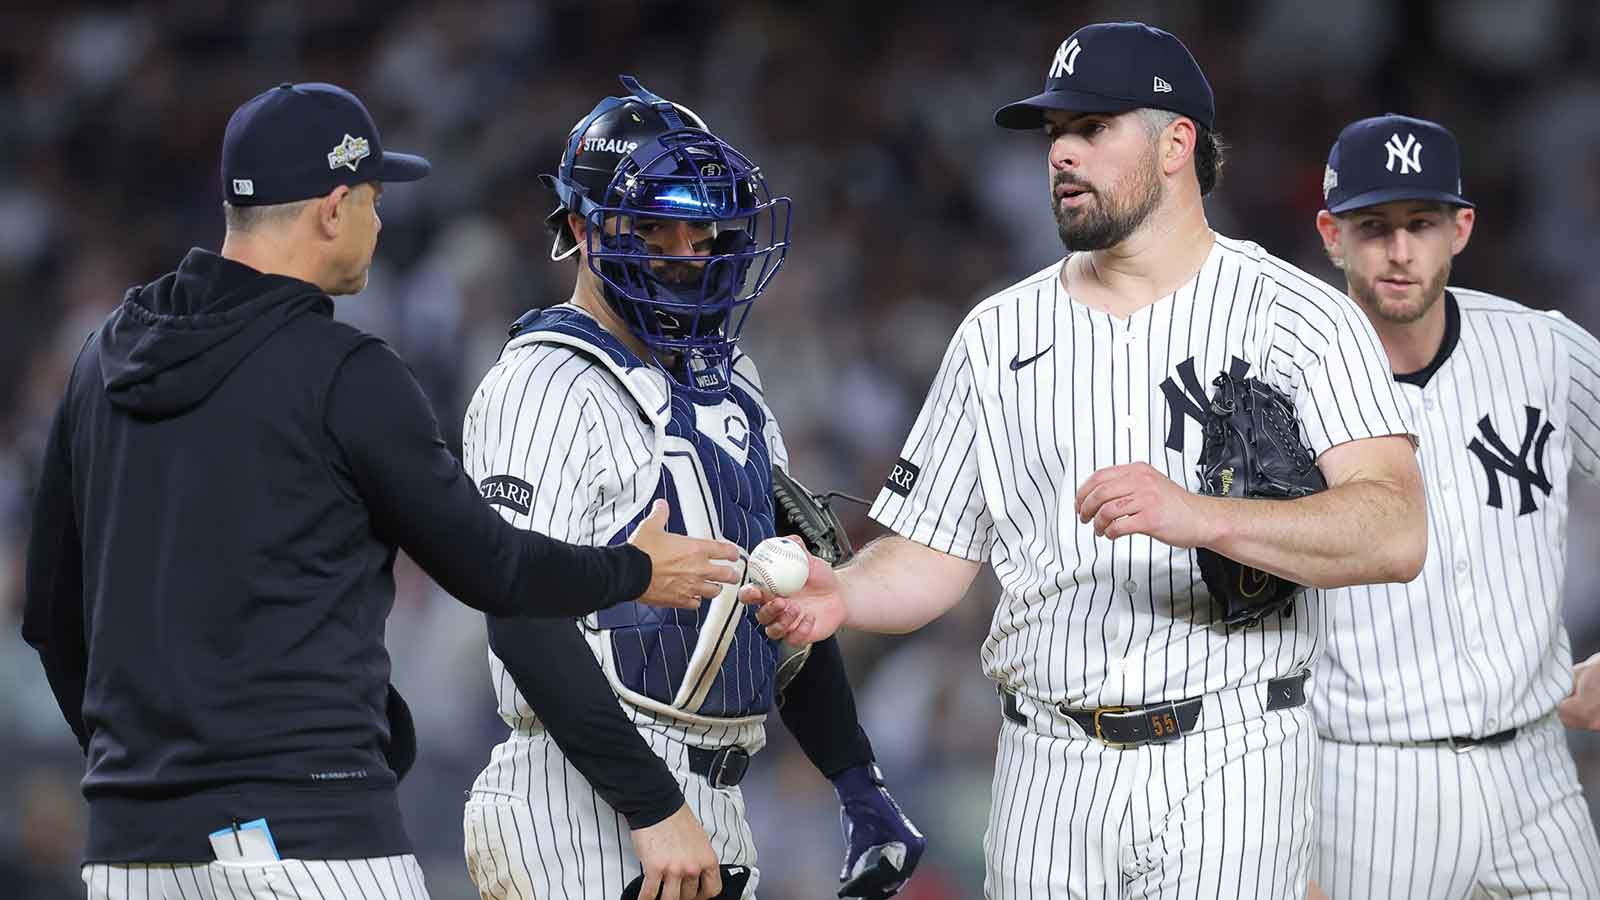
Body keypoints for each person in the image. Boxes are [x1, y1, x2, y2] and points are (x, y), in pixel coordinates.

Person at [748, 22, 1429, 899]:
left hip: (1230, 756)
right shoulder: (998, 333)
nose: (1062, 153)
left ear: (1177, 143)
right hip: (1044, 764)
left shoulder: (1299, 317)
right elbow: (930, 554)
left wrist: (1207, 515)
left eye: (1093, 128)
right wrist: (843, 591)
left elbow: (1397, 529)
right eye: (1054, 134)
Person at [21, 81, 738, 900]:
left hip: (128, 856)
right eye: (371, 198)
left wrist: (145, 779)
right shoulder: (345, 375)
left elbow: (50, 619)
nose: (380, 221)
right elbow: (493, 570)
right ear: (333, 206)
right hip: (310, 842)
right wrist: (633, 570)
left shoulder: (99, 362)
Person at [456, 78, 925, 900]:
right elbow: (518, 615)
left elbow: (786, 603)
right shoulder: (543, 381)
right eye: (651, 227)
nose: (682, 251)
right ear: (581, 228)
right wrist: (653, 806)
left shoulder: (732, 384)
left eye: (700, 229)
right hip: (582, 800)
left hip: (710, 794)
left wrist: (857, 781)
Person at [1307, 113, 1600, 899]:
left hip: (1537, 773)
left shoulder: (1543, 347)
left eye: (1422, 224)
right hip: (1369, 781)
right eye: (1375, 227)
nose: (1401, 252)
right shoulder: (1284, 384)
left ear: (1460, 228)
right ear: (1332, 235)